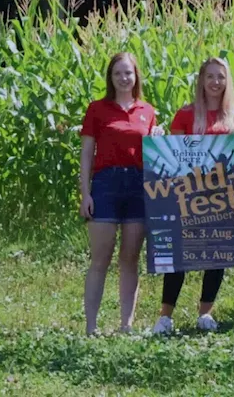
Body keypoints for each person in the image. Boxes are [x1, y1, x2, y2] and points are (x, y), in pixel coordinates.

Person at [152, 57, 234, 334]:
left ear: (227, 81)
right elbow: (172, 157)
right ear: (201, 80)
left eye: (221, 77)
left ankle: (205, 314)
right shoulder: (185, 114)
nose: (215, 82)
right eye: (210, 76)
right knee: (180, 255)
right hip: (188, 194)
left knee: (216, 255)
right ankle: (165, 317)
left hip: (221, 196)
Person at [79, 52, 161, 335]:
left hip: (138, 186)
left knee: (130, 258)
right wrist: (85, 194)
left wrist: (158, 141)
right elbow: (87, 154)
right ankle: (91, 326)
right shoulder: (97, 109)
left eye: (128, 73)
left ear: (136, 75)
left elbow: (154, 155)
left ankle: (126, 325)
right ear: (110, 78)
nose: (124, 78)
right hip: (106, 185)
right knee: (100, 259)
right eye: (118, 74)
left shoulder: (148, 111)